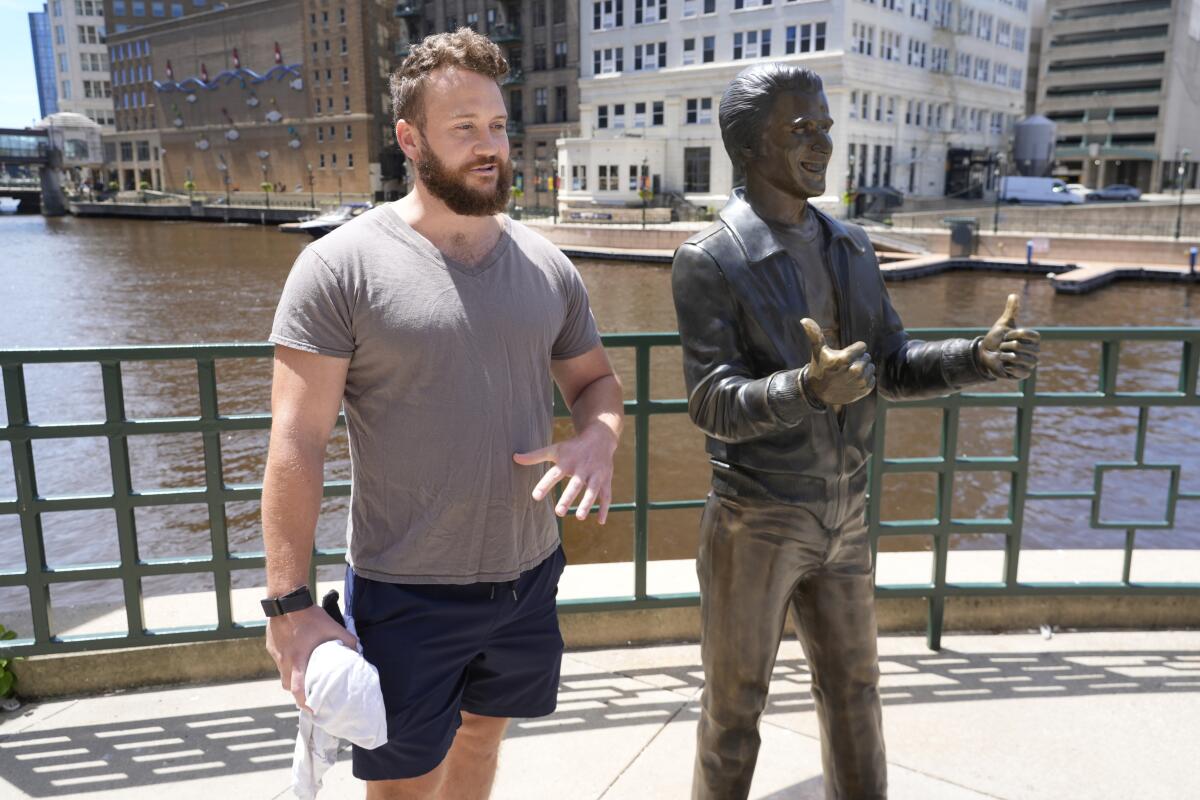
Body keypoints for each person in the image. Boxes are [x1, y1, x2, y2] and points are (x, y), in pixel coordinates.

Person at [261, 28, 623, 800]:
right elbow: (296, 441)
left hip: (529, 578)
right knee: (403, 787)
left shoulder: (547, 265)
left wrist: (599, 438)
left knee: (483, 747)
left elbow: (595, 381)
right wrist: (290, 608)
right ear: (410, 139)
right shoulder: (338, 267)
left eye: (497, 126)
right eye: (464, 129)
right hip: (406, 589)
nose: (489, 146)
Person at [671, 64, 1040, 800]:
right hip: (757, 521)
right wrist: (806, 388)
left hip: (846, 515)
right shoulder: (710, 259)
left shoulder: (851, 244)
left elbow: (893, 363)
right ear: (749, 146)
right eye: (799, 129)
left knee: (856, 692)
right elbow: (712, 402)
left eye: (825, 126)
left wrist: (973, 358)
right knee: (734, 710)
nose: (821, 142)